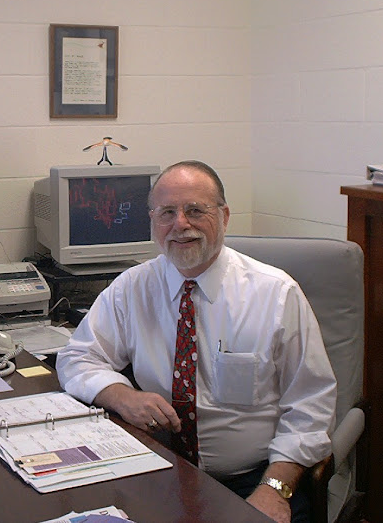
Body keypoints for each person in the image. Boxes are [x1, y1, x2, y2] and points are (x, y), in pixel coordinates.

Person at [56, 160, 336, 523]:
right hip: (159, 470)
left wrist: (274, 489)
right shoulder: (132, 287)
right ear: (153, 221)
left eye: (195, 210)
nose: (180, 224)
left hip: (253, 479)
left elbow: (310, 406)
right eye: (167, 212)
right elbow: (77, 357)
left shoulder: (276, 295)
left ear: (224, 216)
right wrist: (121, 395)